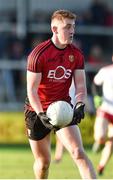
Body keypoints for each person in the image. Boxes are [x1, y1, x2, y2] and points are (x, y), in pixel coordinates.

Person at [24, 9, 96, 179]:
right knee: (43, 163)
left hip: (63, 107)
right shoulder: (38, 54)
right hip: (37, 111)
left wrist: (79, 104)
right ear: (55, 29)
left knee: (78, 152)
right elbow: (31, 90)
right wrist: (41, 113)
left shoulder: (76, 54)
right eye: (68, 27)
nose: (72, 31)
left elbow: (80, 87)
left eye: (73, 27)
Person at [92, 54, 113, 175]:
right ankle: (99, 142)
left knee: (111, 142)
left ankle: (101, 166)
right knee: (100, 136)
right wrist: (97, 97)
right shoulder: (105, 71)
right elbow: (95, 84)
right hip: (105, 109)